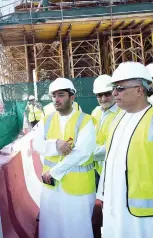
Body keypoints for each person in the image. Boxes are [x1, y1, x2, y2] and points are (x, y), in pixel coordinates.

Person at [33, 77, 96, 238]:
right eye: (53, 96)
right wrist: (55, 145)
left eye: (61, 95)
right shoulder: (46, 120)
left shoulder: (86, 120)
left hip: (78, 189)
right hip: (51, 188)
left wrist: (54, 172)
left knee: (77, 230)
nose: (56, 99)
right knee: (51, 229)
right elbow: (37, 144)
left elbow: (82, 153)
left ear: (72, 97)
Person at [97, 62, 153, 238]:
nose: (114, 93)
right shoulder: (118, 120)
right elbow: (109, 162)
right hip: (115, 209)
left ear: (139, 90)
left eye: (120, 88)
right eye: (114, 88)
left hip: (143, 218)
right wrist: (103, 195)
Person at [92, 74, 120, 184]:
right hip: (97, 168)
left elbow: (115, 144)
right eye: (99, 95)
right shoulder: (95, 112)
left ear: (114, 91)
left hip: (113, 169)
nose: (103, 99)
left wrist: (89, 154)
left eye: (107, 94)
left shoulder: (122, 113)